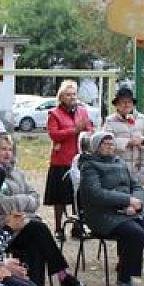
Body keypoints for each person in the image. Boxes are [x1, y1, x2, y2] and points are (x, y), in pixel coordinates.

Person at [0, 132, 87, 286]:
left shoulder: (17, 173)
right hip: (2, 227)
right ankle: (62, 275)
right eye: (3, 149)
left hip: (25, 225)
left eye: (10, 149)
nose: (7, 153)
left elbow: (35, 198)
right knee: (38, 228)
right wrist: (24, 201)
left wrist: (20, 202)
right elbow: (1, 204)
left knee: (34, 245)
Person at [79, 131, 144, 286]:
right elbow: (96, 194)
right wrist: (127, 200)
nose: (110, 146)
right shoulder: (89, 166)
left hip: (130, 211)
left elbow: (137, 186)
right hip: (103, 214)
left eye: (111, 143)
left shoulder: (120, 163)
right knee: (136, 233)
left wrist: (136, 204)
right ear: (96, 147)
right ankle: (124, 278)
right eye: (105, 143)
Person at [44, 80, 94, 239]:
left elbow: (89, 130)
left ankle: (78, 226)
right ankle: (58, 228)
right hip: (61, 160)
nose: (72, 97)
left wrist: (87, 132)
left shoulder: (82, 112)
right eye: (68, 94)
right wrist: (74, 130)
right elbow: (54, 134)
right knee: (59, 197)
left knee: (79, 195)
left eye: (74, 94)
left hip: (78, 159)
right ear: (61, 97)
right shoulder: (54, 114)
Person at [103, 87, 144, 184]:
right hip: (119, 169)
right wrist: (127, 142)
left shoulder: (141, 118)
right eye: (123, 102)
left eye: (129, 102)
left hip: (141, 170)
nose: (127, 104)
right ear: (117, 104)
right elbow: (106, 143)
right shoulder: (110, 120)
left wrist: (142, 140)